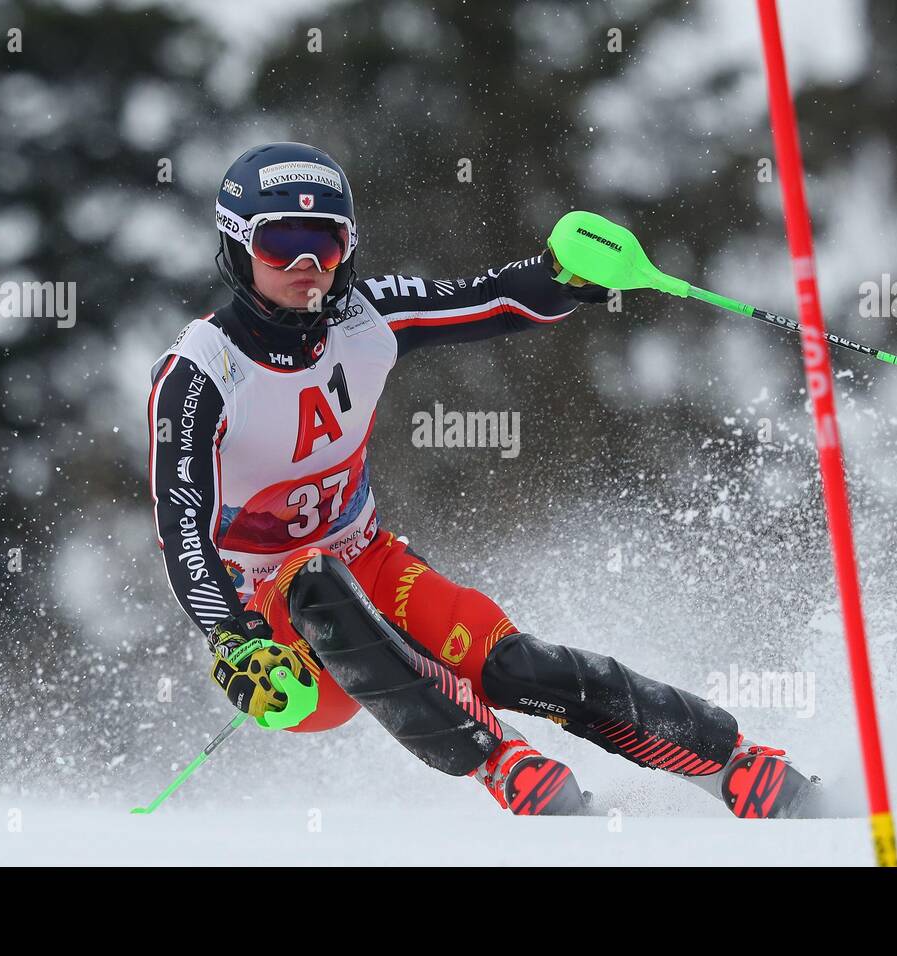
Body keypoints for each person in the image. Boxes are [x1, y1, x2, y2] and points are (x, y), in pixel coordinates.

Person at [148, 141, 820, 817]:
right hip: (275, 630)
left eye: (322, 244)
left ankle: (730, 764)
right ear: (238, 249)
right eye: (280, 244)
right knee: (315, 582)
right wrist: (233, 637)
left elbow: (492, 296)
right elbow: (182, 531)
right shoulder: (202, 373)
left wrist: (566, 274)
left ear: (347, 249)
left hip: (372, 564)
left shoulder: (366, 318)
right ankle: (498, 758)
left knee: (513, 666)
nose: (304, 267)